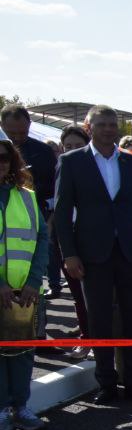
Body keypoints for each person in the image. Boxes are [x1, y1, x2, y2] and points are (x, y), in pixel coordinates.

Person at [52, 105, 132, 404]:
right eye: (102, 124)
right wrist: (69, 254)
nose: (109, 129)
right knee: (98, 319)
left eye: (113, 124)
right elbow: (61, 214)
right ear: (89, 127)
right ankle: (106, 383)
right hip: (91, 255)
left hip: (131, 253)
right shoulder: (72, 162)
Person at [0, 139, 50, 430]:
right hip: (2, 292)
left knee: (22, 353)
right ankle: (3, 408)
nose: (1, 163)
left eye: (5, 158)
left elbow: (42, 239)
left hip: (26, 292)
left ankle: (21, 406)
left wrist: (33, 281)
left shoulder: (27, 197)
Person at [2, 105, 59, 299]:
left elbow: (53, 187)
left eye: (23, 132)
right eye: (12, 133)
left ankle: (53, 282)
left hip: (27, 289)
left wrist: (35, 281)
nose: (17, 137)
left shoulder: (43, 152)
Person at [54, 126, 93, 360]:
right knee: (79, 295)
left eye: (78, 146)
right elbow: (61, 211)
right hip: (71, 241)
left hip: (97, 241)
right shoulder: (63, 167)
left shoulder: (98, 168)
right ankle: (87, 338)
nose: (72, 151)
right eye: (68, 146)